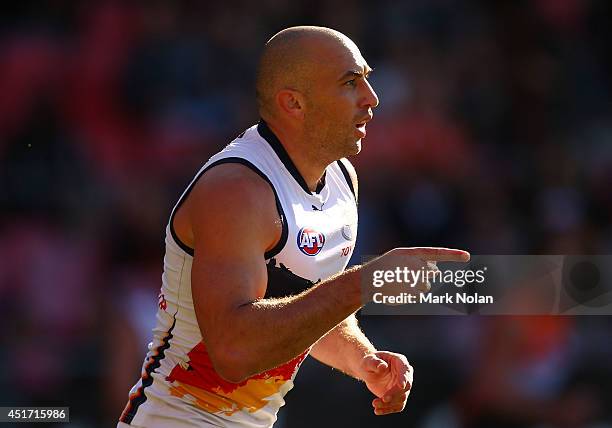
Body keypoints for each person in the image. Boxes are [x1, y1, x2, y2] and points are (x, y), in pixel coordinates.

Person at [118, 26, 470, 428]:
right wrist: (360, 284)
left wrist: (363, 360)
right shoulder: (238, 189)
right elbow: (233, 352)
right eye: (350, 83)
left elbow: (307, 306)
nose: (371, 100)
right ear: (294, 103)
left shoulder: (341, 179)